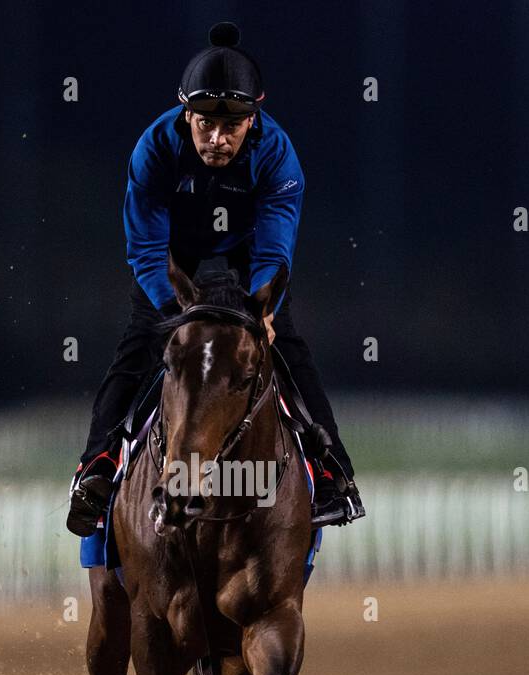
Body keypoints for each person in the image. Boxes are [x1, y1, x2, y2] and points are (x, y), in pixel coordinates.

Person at [66, 21, 365, 537]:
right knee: (137, 352)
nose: (218, 139)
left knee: (288, 352)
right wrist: (174, 317)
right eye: (206, 124)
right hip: (172, 257)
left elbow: (274, 250)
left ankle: (333, 471)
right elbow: (146, 249)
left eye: (234, 126)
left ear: (256, 118)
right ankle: (95, 468)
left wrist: (264, 314)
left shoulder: (278, 155)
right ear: (186, 114)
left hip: (247, 260)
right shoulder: (154, 149)